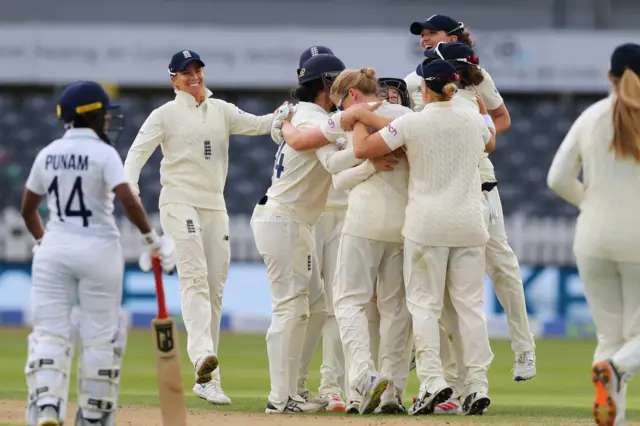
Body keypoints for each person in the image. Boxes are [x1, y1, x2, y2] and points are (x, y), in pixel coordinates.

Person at [123, 50, 276, 406]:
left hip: (214, 206)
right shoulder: (164, 114)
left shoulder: (221, 109)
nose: (193, 77)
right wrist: (131, 190)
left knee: (214, 287)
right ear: (173, 79)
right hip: (178, 202)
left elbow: (258, 124)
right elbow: (136, 154)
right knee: (193, 276)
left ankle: (208, 379)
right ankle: (202, 352)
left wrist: (286, 115)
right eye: (185, 72)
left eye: (198, 70)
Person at [21, 81, 174, 426]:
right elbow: (127, 198)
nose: (108, 120)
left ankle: (47, 406)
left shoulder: (48, 153)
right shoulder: (104, 154)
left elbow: (28, 208)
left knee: (49, 333)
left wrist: (43, 240)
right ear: (93, 116)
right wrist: (151, 239)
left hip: (54, 250)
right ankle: (91, 416)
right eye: (104, 114)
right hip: (99, 251)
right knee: (101, 337)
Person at [353, 60, 495, 416]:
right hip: (469, 225)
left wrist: (359, 115)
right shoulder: (474, 120)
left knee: (424, 307)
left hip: (426, 226)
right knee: (469, 307)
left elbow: (364, 150)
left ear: (426, 90)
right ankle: (476, 385)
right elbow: (490, 138)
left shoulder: (411, 122)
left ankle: (432, 382)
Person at [406, 15, 537, 386]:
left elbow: (501, 119)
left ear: (451, 37)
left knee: (503, 267)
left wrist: (471, 131)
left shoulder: (475, 76)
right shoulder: (414, 78)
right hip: (434, 184)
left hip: (479, 182)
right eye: (422, 36)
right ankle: (442, 367)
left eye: (431, 34)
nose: (425, 40)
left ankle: (523, 347)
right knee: (441, 287)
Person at [252, 53, 363, 414]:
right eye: (340, 86)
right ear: (328, 85)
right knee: (290, 307)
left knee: (315, 305)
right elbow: (332, 162)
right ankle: (280, 398)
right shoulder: (317, 119)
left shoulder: (303, 115)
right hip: (282, 220)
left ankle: (295, 390)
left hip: (293, 221)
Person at [547, 42, 640, 426]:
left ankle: (612, 413)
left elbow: (557, 179)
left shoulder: (591, 116)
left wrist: (590, 203)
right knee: (630, 339)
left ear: (610, 77)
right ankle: (618, 367)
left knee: (609, 335)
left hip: (592, 238)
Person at [294, 45, 348, 412]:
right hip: (311, 216)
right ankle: (292, 386)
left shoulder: (346, 115)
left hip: (344, 216)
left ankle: (333, 387)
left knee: (337, 307)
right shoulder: (298, 116)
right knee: (303, 306)